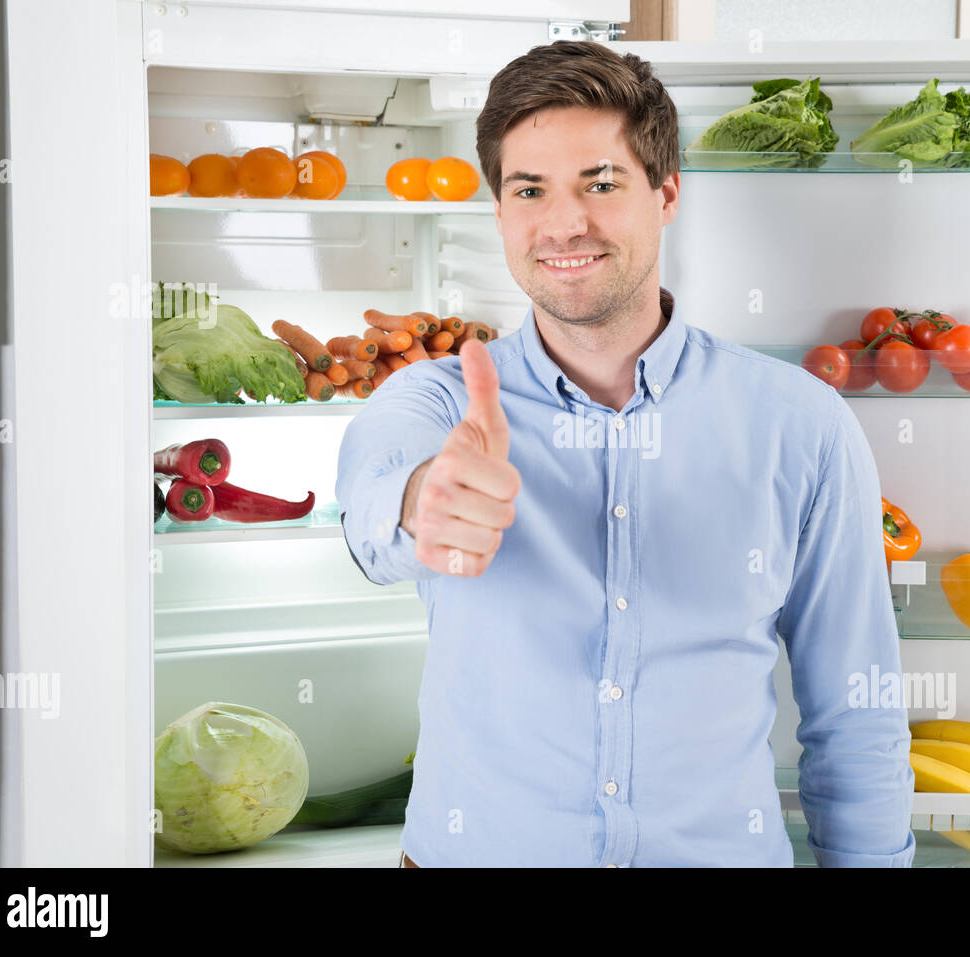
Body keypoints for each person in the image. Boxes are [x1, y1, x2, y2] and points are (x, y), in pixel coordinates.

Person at [336, 40, 914, 868]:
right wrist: (424, 501)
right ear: (499, 211)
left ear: (666, 191)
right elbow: (370, 503)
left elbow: (854, 714)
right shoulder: (438, 401)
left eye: (600, 184)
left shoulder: (803, 425)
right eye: (529, 189)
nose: (564, 223)